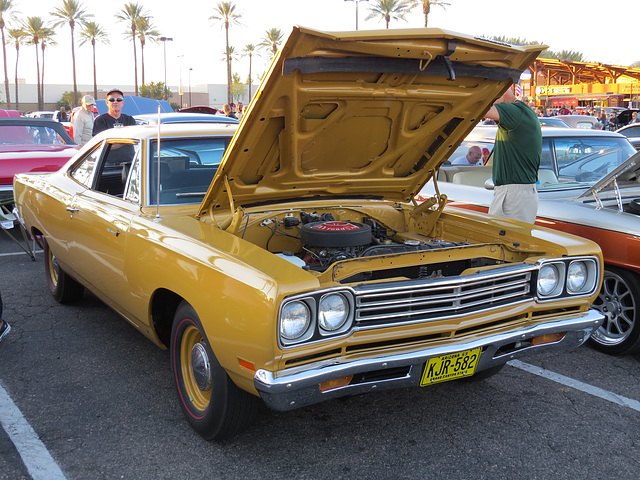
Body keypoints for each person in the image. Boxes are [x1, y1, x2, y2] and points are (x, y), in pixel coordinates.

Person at [483, 84, 542, 224]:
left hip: (514, 195)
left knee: (508, 243)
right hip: (516, 194)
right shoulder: (521, 113)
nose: (489, 100)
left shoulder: (516, 112)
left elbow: (482, 110)